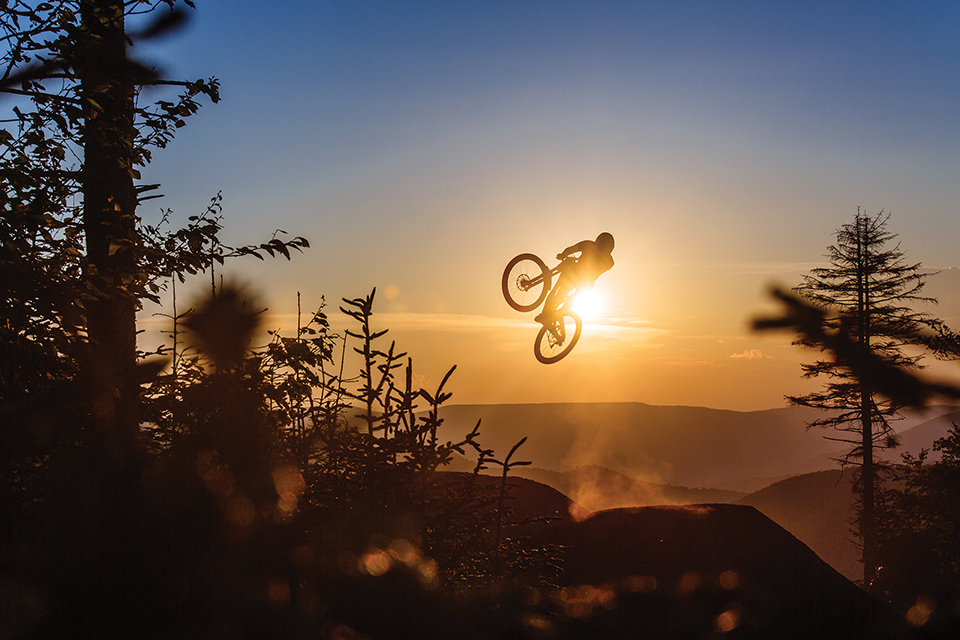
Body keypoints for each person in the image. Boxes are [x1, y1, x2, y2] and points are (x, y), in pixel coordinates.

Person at [535, 232, 615, 324]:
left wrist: (563, 255)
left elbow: (571, 249)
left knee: (556, 293)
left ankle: (546, 315)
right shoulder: (610, 262)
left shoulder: (589, 245)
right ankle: (559, 313)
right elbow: (595, 263)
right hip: (585, 284)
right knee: (572, 298)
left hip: (572, 275)